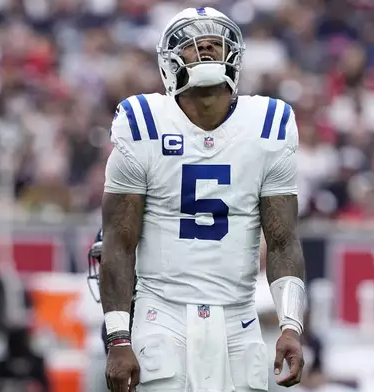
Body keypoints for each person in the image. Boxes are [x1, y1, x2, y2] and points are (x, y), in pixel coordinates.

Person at [96, 6, 306, 392]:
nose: (206, 49)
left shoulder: (268, 124)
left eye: (215, 43)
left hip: (238, 316)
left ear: (235, 57)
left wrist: (290, 325)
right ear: (170, 61)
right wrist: (118, 338)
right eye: (194, 45)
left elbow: (282, 239)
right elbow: (118, 242)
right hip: (161, 312)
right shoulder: (142, 122)